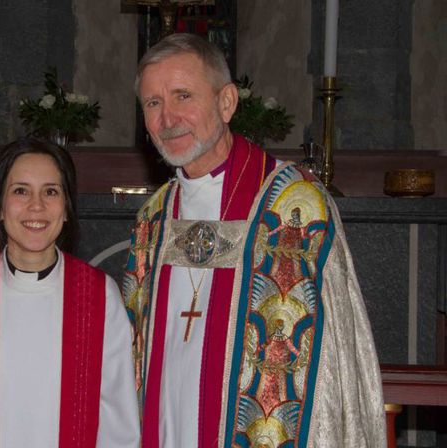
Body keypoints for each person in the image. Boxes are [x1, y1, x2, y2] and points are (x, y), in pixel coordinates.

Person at [122, 33, 386, 447]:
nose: (167, 119)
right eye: (153, 103)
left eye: (183, 96)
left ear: (226, 102)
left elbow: (334, 368)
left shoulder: (295, 206)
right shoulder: (153, 217)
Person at [0, 138, 140, 447]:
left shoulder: (99, 297)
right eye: (20, 191)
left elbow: (119, 416)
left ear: (66, 210)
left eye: (51, 191)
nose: (36, 206)